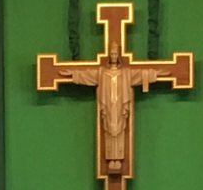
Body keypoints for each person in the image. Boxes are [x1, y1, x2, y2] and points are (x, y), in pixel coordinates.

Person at [62, 41, 163, 174]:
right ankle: (110, 158)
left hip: (120, 108)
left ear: (118, 55)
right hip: (108, 108)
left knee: (120, 132)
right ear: (109, 56)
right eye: (112, 54)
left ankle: (118, 158)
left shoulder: (126, 73)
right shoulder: (102, 73)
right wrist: (73, 74)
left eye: (116, 54)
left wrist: (155, 74)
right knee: (109, 131)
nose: (114, 56)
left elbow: (140, 74)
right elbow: (87, 75)